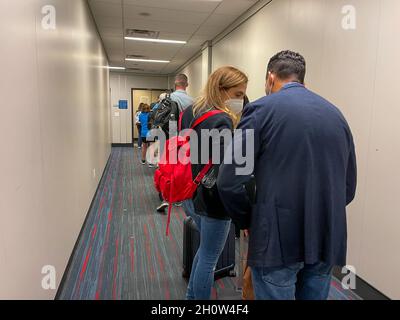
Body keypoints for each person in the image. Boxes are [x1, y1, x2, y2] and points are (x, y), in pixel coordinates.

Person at [217, 50, 357, 300]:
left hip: (276, 239)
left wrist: (248, 219)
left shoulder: (260, 110)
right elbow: (348, 188)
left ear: (270, 78)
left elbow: (229, 181)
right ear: (302, 79)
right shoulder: (337, 115)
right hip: (326, 234)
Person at [180, 66, 248, 300]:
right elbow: (224, 171)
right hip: (213, 200)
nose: (241, 100)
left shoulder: (192, 110)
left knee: (205, 249)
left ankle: (191, 297)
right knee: (209, 257)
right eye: (238, 94)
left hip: (192, 192)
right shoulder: (221, 119)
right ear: (222, 90)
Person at [156, 76, 194, 212]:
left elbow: (160, 117)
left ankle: (166, 194)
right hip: (185, 138)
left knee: (167, 166)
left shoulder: (167, 98)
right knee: (181, 168)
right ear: (187, 84)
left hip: (169, 137)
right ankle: (179, 194)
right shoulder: (192, 101)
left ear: (175, 84)